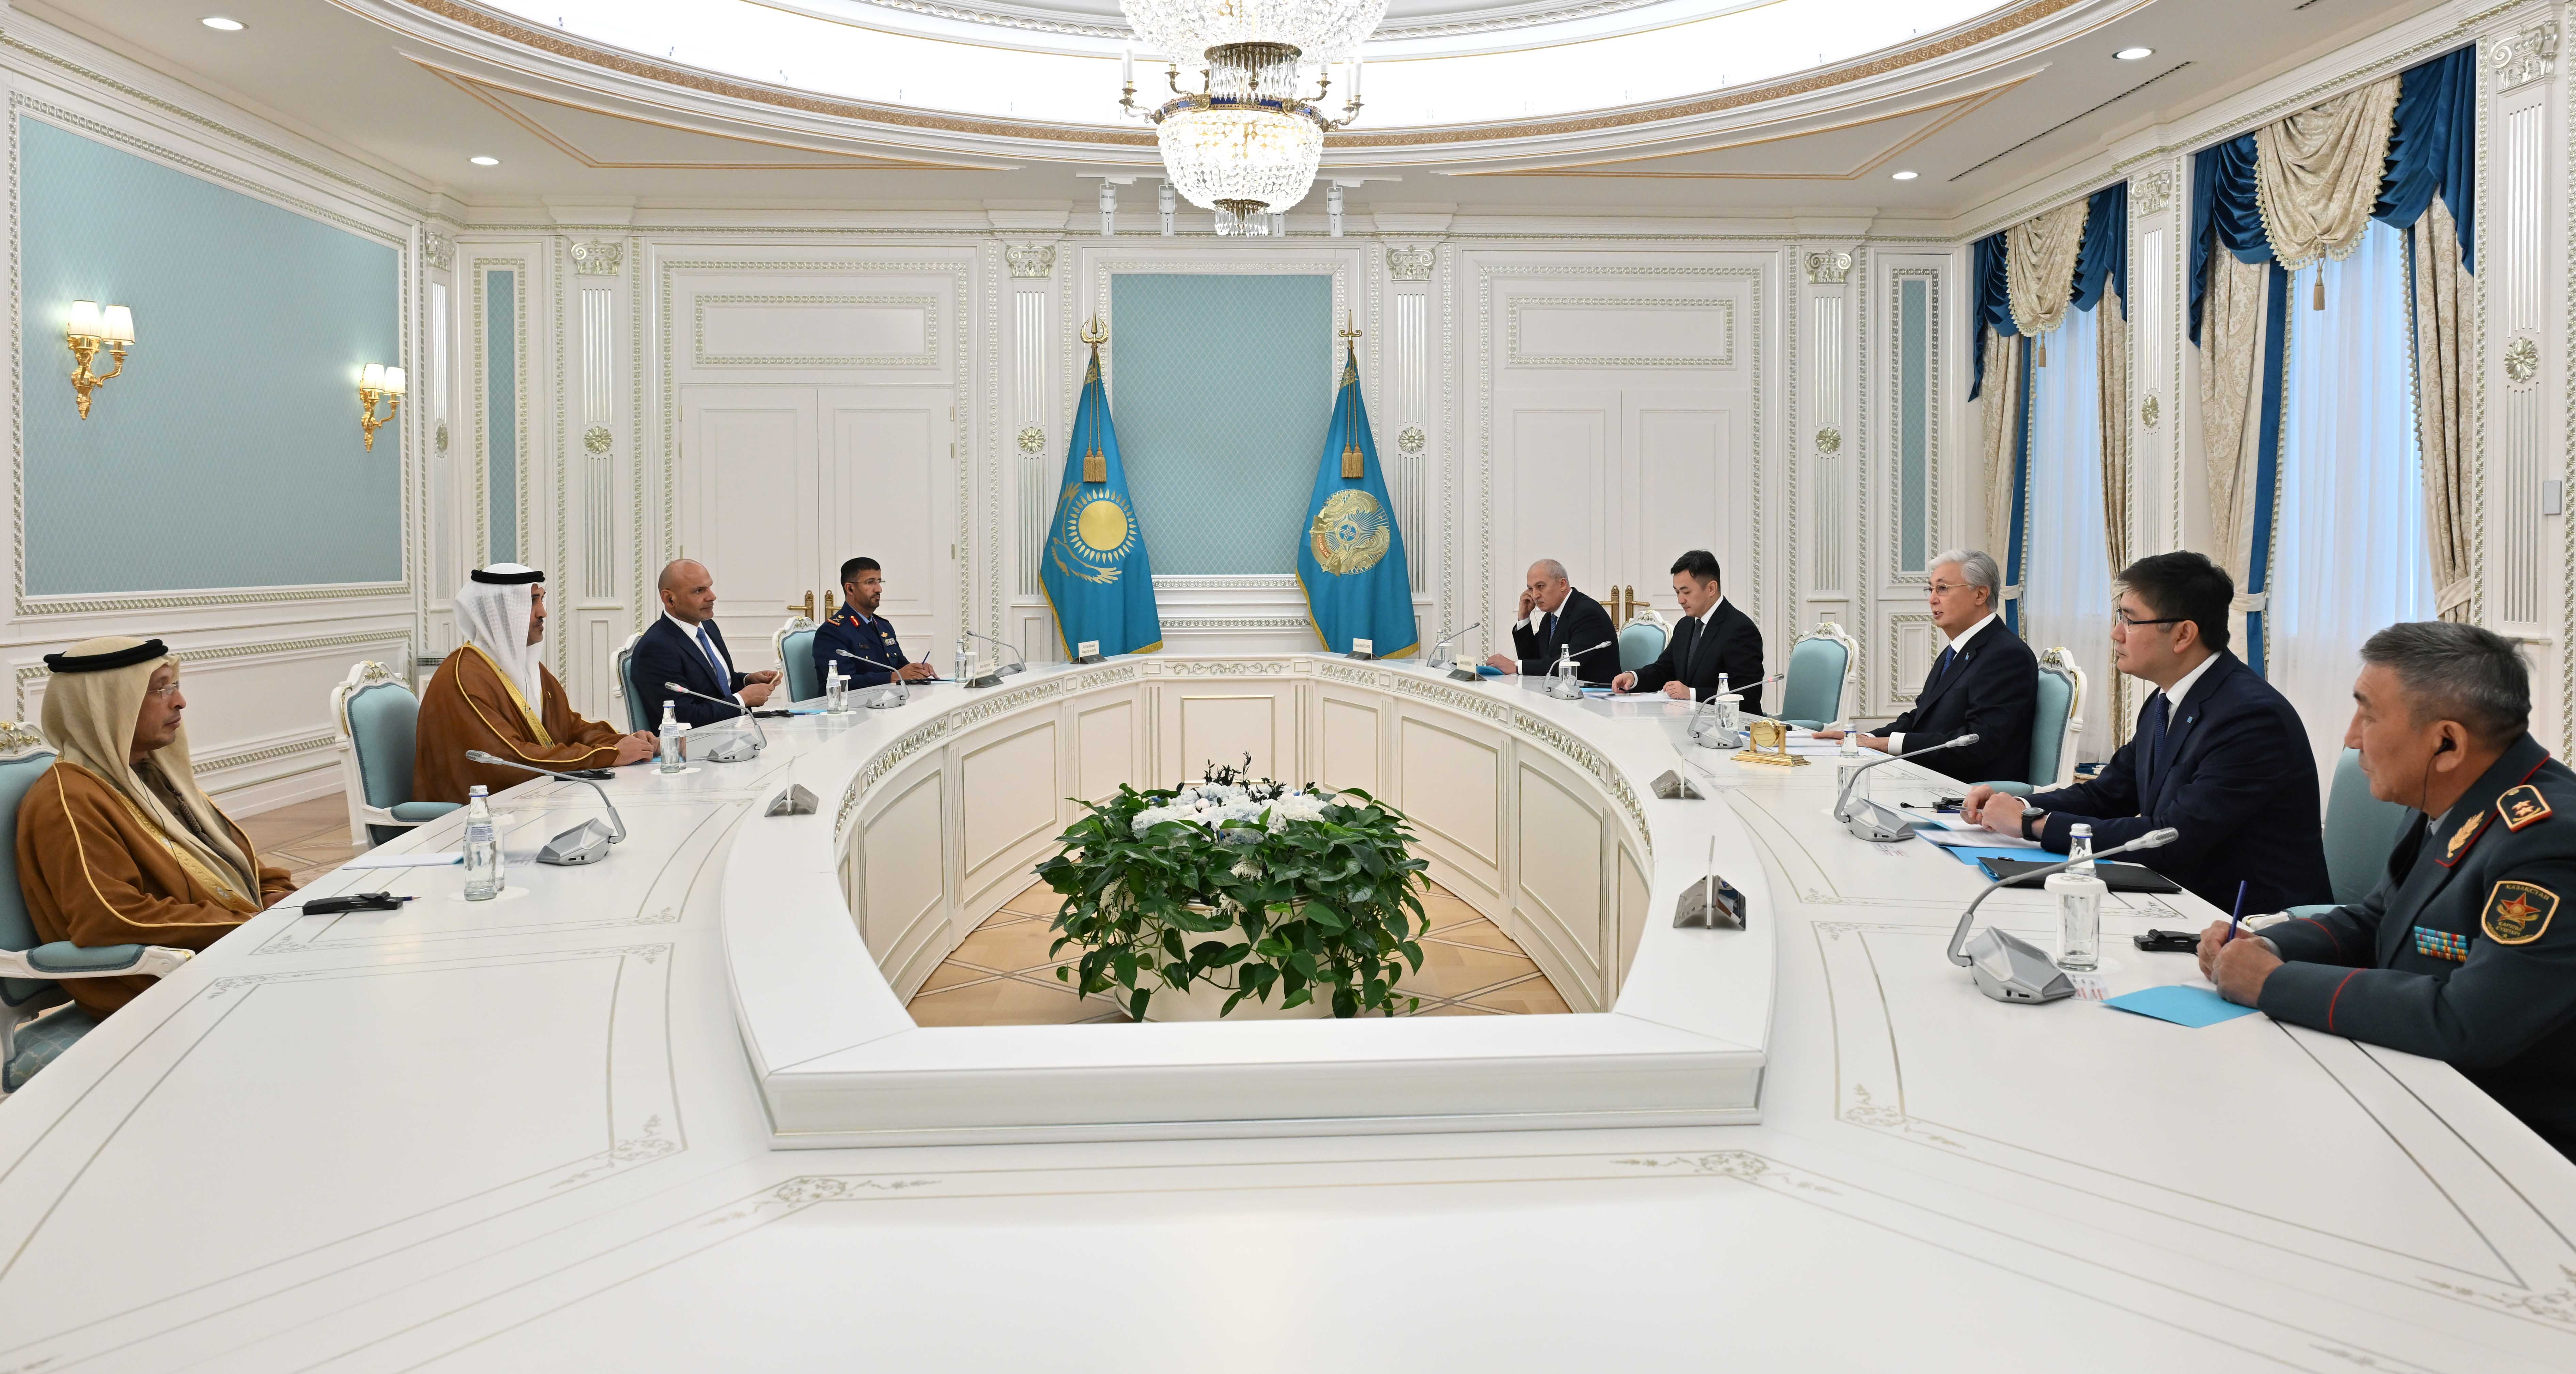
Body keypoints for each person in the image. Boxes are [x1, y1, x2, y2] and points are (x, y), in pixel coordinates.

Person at [2200, 622, 2576, 1161]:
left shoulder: (2547, 841)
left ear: (2446, 743)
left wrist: (2272, 984)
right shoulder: (2453, 796)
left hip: (2515, 1147)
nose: (2351, 737)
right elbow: (2380, 917)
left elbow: (2468, 1021)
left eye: (2368, 715)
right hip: (2417, 1094)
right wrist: (2268, 943)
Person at [1962, 551, 2329, 912]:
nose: (2115, 633)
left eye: (2129, 620)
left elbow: (2171, 838)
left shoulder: (2250, 717)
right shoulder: (2164, 700)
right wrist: (2020, 806)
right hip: (2174, 897)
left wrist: (2033, 825)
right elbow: (2107, 795)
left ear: (2183, 634)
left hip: (2244, 921)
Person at [14, 637, 297, 1017]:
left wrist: (277, 896)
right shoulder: (68, 801)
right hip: (162, 990)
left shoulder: (152, 774)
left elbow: (234, 861)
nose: (180, 702)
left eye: (174, 685)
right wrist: (250, 922)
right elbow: (111, 918)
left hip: (229, 952)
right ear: (108, 705)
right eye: (160, 690)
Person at [414, 564, 655, 803]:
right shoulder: (465, 676)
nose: (543, 613)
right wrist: (610, 755)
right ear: (499, 610)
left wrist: (629, 743)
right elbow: (511, 760)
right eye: (532, 601)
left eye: (542, 599)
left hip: (532, 799)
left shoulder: (526, 667)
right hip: (475, 815)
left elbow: (571, 730)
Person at [1817, 549, 2036, 785]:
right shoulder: (1958, 649)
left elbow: (1978, 742)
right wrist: (1863, 738)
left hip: (1968, 791)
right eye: (1930, 589)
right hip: (1932, 775)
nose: (1932, 599)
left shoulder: (2007, 655)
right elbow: (1921, 717)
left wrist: (1887, 744)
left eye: (1942, 589)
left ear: (1981, 594)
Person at [630, 559, 780, 727]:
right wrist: (743, 699)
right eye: (699, 591)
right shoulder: (656, 649)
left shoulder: (708, 626)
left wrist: (747, 680)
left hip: (734, 731)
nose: (712, 597)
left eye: (710, 587)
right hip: (695, 740)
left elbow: (714, 686)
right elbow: (684, 718)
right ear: (669, 599)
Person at [1611, 550, 1765, 715]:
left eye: (1687, 592)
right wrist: (1634, 678)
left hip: (1729, 724)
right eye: (1677, 592)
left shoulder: (1740, 629)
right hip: (1687, 720)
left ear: (1711, 588)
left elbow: (1748, 693)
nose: (1680, 600)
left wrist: (1691, 694)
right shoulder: (1685, 625)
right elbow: (1664, 670)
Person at [1486, 559, 1617, 683]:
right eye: (1531, 589)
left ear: (1562, 584)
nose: (1535, 596)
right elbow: (1532, 659)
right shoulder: (1551, 617)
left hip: (1596, 694)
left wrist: (1515, 666)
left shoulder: (1587, 613)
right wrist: (1524, 617)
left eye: (1541, 586)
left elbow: (1568, 664)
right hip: (1562, 691)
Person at [814, 557, 933, 691]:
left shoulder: (884, 626)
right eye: (870, 583)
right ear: (850, 589)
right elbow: (841, 682)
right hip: (852, 703)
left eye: (879, 582)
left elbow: (900, 667)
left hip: (888, 699)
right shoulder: (832, 632)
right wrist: (892, 677)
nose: (879, 589)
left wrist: (918, 670)